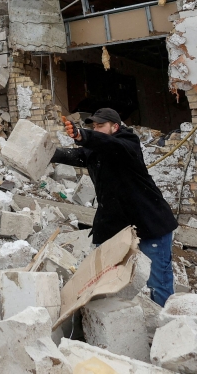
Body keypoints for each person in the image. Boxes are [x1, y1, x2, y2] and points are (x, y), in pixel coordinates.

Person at [53, 107, 178, 305]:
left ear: (115, 127)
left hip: (150, 222)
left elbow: (110, 145)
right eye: (94, 126)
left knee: (158, 283)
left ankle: (166, 327)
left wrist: (81, 134)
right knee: (107, 279)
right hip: (115, 225)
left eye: (100, 126)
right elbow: (76, 156)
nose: (96, 129)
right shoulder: (96, 150)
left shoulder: (128, 143)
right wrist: (48, 151)